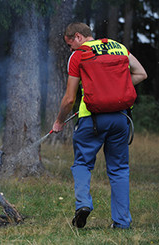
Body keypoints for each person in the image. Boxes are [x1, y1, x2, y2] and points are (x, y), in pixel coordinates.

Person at [52, 22, 147, 229]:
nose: (70, 49)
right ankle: (122, 223)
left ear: (78, 36)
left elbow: (69, 99)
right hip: (120, 118)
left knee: (82, 164)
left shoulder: (79, 55)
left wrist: (59, 121)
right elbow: (141, 74)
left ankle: (84, 204)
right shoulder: (119, 48)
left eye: (70, 44)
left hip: (91, 120)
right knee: (119, 169)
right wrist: (114, 88)